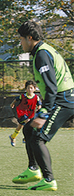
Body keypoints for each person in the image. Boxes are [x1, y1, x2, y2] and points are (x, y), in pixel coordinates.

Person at [12, 20, 74, 191]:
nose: (20, 42)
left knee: (38, 136)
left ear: (30, 38)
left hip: (63, 100)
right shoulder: (42, 51)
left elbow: (52, 86)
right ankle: (33, 170)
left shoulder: (41, 54)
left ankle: (49, 180)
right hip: (62, 98)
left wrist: (45, 112)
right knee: (28, 129)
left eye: (21, 39)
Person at [9, 80, 42, 146]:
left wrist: (39, 107)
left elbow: (39, 104)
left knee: (20, 126)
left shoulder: (36, 97)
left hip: (30, 113)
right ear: (26, 89)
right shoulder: (23, 96)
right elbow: (16, 99)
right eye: (28, 88)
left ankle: (13, 137)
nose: (29, 89)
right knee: (28, 122)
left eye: (31, 88)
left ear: (34, 89)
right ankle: (26, 138)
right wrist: (12, 104)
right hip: (22, 112)